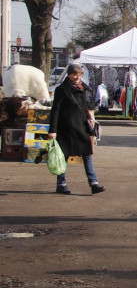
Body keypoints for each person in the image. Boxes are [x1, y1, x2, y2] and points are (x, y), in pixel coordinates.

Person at [47, 63, 104, 195]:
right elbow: (55, 110)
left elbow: (84, 106)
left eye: (79, 74)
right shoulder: (62, 89)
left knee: (87, 155)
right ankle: (61, 184)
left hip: (81, 126)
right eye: (74, 74)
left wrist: (89, 119)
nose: (77, 77)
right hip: (66, 127)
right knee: (64, 156)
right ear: (69, 74)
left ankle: (94, 183)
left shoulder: (83, 88)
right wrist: (52, 130)